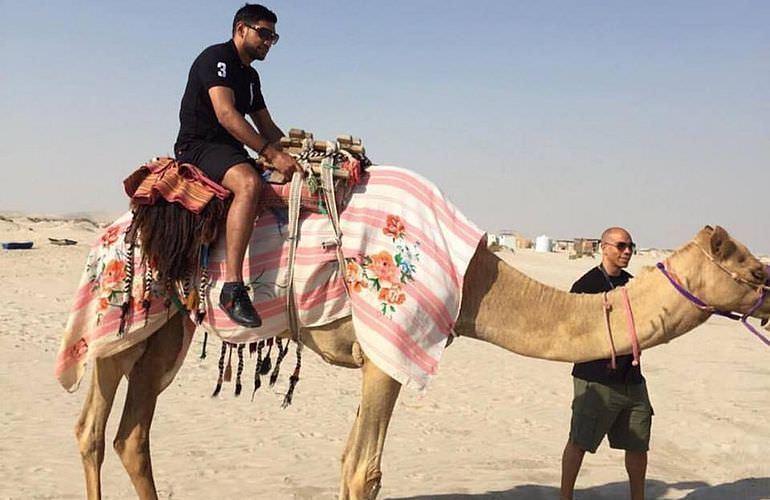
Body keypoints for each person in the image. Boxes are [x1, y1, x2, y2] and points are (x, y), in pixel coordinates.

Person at [174, 4, 301, 328]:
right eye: (264, 33)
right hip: (200, 146)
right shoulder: (217, 59)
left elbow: (266, 124)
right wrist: (271, 154)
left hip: (229, 149)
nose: (268, 42)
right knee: (248, 184)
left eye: (274, 37)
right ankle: (232, 287)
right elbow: (227, 115)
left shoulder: (250, 76)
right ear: (241, 29)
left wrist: (297, 154)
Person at [560, 227, 653, 500]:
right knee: (580, 442)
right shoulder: (585, 286)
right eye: (621, 246)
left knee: (638, 444)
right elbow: (569, 330)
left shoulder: (633, 285)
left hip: (633, 380)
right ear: (604, 247)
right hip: (596, 380)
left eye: (631, 246)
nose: (627, 252)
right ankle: (565, 497)